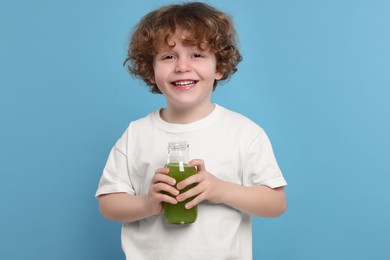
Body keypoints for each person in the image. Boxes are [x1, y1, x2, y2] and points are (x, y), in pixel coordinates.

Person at [96, 2, 287, 259]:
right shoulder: (136, 134)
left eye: (197, 54)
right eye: (168, 56)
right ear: (151, 71)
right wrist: (148, 203)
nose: (182, 67)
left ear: (219, 67)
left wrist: (219, 190)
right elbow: (109, 204)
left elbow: (275, 203)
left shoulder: (243, 132)